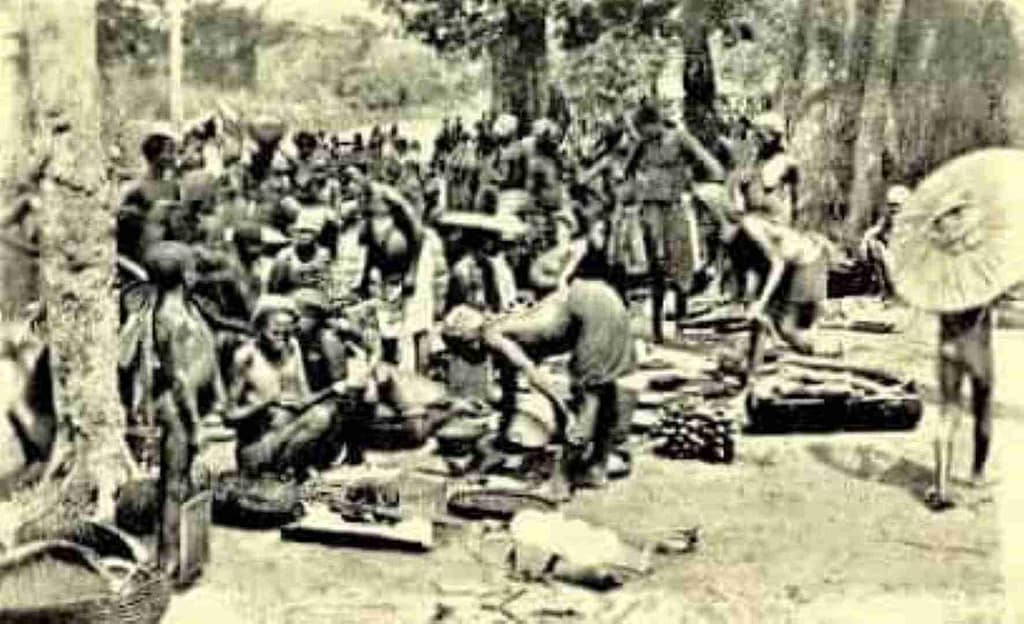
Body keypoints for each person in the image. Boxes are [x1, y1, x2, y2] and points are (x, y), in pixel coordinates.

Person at [442, 277, 636, 490]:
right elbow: (510, 397)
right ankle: (596, 468)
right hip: (600, 295)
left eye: (460, 352)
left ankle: (561, 481)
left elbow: (533, 374)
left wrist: (564, 412)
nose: (464, 360)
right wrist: (498, 442)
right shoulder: (497, 329)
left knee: (590, 399)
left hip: (591, 310)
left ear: (468, 340)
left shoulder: (491, 335)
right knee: (602, 390)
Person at [143, 242, 225, 579]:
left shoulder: (187, 309)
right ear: (181, 275)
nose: (196, 275)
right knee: (173, 484)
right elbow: (179, 378)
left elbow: (205, 357)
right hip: (177, 409)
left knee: (181, 481)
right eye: (192, 269)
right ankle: (168, 559)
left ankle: (177, 554)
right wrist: (195, 425)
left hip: (189, 407)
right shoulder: (168, 317)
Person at [626, 102, 726, 343]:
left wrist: (693, 185)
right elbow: (627, 171)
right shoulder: (642, 144)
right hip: (651, 209)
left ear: (655, 123)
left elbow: (713, 166)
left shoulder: (680, 138)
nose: (642, 135)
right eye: (639, 132)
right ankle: (658, 329)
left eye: (644, 130)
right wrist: (640, 186)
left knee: (681, 265)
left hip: (675, 207)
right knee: (656, 268)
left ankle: (681, 325)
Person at [224, 296, 347, 480]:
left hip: (287, 435)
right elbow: (229, 416)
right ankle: (274, 472)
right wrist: (266, 403)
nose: (281, 341)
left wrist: (330, 391)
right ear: (259, 328)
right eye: (275, 333)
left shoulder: (292, 348)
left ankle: (287, 469)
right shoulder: (245, 357)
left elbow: (303, 397)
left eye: (287, 334)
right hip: (258, 446)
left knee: (322, 416)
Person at [736, 203, 837, 381]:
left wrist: (760, 303)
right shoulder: (744, 232)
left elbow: (777, 265)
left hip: (807, 263)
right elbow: (753, 269)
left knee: (786, 326)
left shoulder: (753, 229)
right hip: (794, 265)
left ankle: (822, 355)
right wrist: (751, 300)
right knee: (766, 319)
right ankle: (754, 373)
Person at [927, 305, 994, 511]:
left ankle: (941, 486)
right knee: (982, 411)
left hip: (949, 350)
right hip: (978, 353)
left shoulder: (944, 286)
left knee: (948, 413)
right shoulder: (983, 282)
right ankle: (977, 473)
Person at [265, 210, 333, 296]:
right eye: (301, 232)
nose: (304, 236)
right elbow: (274, 288)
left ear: (316, 234)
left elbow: (326, 284)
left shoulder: (323, 254)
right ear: (294, 234)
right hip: (290, 299)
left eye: (308, 232)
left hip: (315, 299)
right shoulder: (284, 256)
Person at [859, 184, 910, 298]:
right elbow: (875, 231)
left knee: (879, 248)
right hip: (894, 267)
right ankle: (884, 291)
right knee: (874, 244)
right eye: (890, 205)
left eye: (896, 205)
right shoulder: (888, 220)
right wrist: (866, 241)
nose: (893, 209)